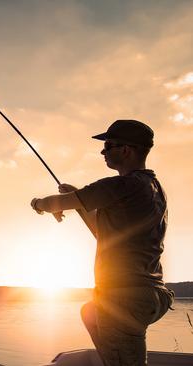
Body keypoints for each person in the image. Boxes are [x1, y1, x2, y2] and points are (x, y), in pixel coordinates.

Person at [29, 119, 174, 366]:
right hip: (152, 296)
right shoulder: (153, 188)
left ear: (126, 150)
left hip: (123, 297)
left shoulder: (122, 184)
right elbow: (101, 231)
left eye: (108, 146)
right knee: (90, 312)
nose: (102, 151)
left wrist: (38, 204)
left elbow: (53, 202)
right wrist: (77, 203)